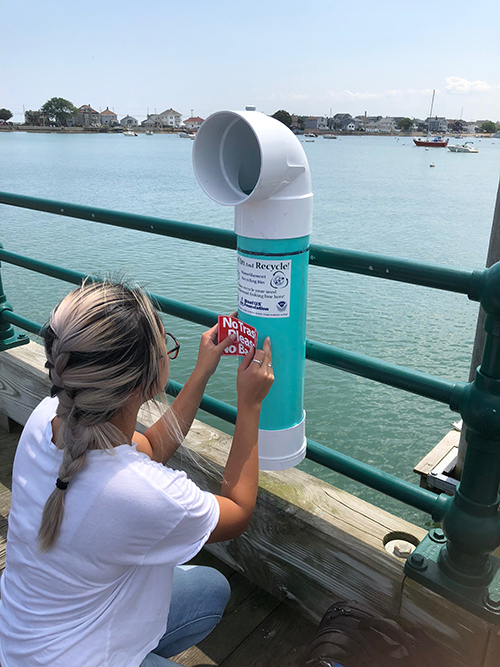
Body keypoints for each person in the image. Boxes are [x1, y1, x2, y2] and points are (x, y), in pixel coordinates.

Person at [0, 280, 274, 667]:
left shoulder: (50, 417)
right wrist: (250, 406)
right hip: (69, 659)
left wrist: (201, 373)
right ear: (145, 382)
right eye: (167, 349)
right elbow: (238, 509)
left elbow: (150, 448)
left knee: (210, 589)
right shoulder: (140, 495)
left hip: (24, 638)